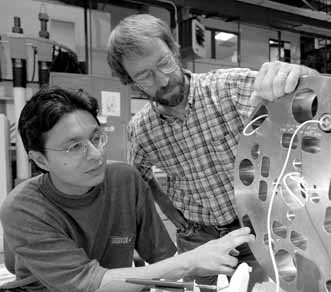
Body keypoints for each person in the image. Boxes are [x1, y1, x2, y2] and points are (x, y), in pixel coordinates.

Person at [106, 13, 319, 291]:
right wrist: (172, 214)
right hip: (200, 242)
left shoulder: (229, 88)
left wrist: (300, 76)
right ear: (131, 82)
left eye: (163, 63)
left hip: (260, 231)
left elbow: (306, 101)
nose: (163, 80)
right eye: (145, 76)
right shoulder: (141, 129)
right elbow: (142, 178)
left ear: (173, 51)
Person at [0, 86, 255, 292]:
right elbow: (89, 284)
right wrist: (190, 261)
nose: (95, 154)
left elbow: (161, 257)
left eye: (96, 137)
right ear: (40, 160)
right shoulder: (23, 207)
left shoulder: (124, 179)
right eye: (74, 147)